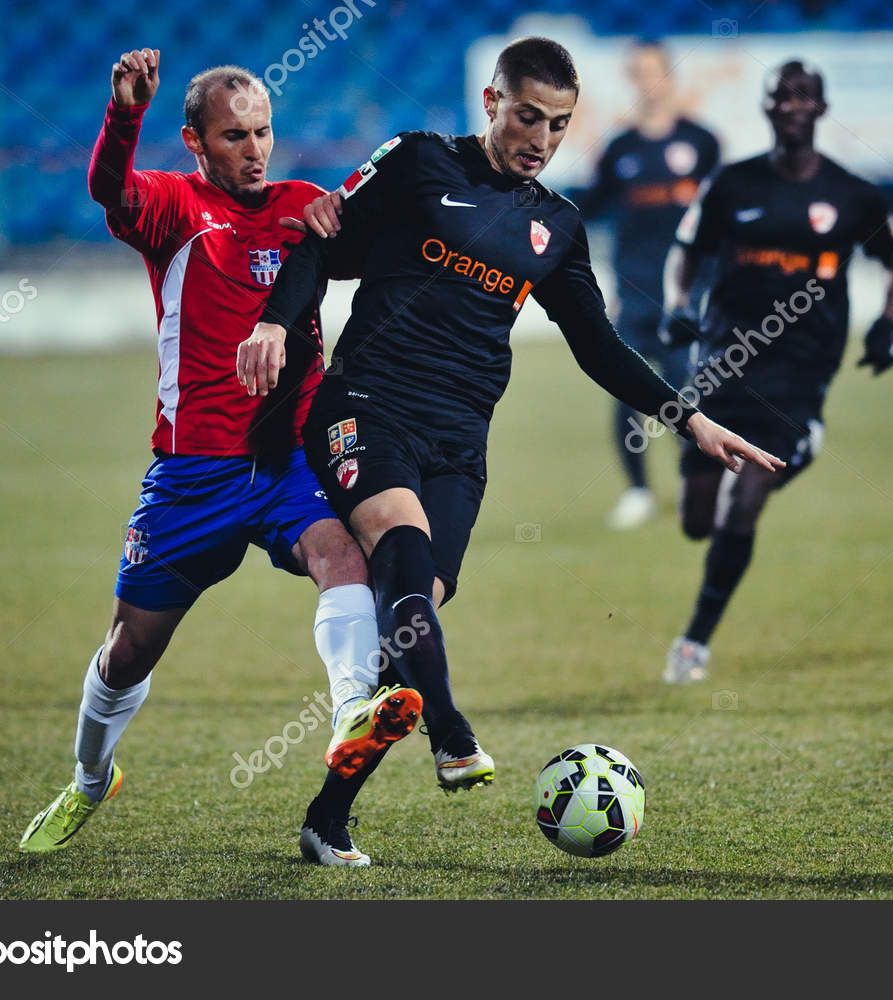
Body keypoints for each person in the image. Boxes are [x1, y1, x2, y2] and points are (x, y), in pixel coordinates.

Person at [245, 36, 782, 831]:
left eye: (559, 125)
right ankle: (452, 731)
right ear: (493, 102)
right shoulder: (419, 160)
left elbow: (597, 344)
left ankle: (329, 816)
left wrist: (690, 417)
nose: (541, 138)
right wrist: (275, 323)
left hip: (461, 438)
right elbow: (323, 242)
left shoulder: (556, 226)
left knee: (408, 633)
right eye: (528, 116)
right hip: (366, 402)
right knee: (401, 544)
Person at [17, 49, 421, 868]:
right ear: (195, 142)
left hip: (291, 458)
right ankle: (91, 778)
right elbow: (108, 190)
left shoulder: (302, 207)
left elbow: (391, 248)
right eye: (235, 136)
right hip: (191, 473)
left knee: (342, 553)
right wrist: (123, 114)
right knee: (129, 648)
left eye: (264, 132)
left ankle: (351, 712)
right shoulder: (172, 208)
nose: (255, 149)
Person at [656, 60, 893, 684]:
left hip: (797, 376)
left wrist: (887, 323)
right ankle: (770, 473)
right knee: (695, 523)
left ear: (822, 108)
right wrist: (678, 305)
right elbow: (685, 252)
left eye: (804, 97)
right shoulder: (732, 185)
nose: (792, 106)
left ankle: (694, 644)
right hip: (720, 366)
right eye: (780, 97)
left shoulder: (853, 194)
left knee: (743, 507)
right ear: (767, 109)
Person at [572, 40, 719, 530]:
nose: (649, 82)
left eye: (656, 72)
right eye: (640, 74)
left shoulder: (702, 142)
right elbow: (588, 210)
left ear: (670, 78)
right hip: (633, 292)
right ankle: (638, 491)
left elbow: (722, 217)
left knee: (686, 388)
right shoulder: (621, 149)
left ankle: (696, 481)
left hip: (687, 293)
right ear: (632, 81)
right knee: (628, 392)